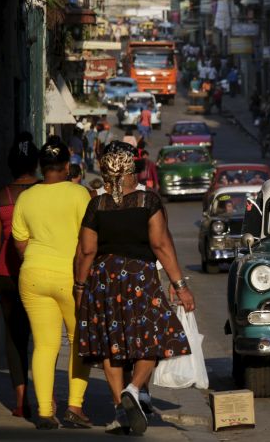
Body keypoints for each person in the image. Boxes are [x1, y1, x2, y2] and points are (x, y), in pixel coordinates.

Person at [74, 143, 195, 435]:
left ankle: (120, 411)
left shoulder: (97, 205)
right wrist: (180, 286)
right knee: (153, 337)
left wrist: (79, 286)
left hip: (104, 279)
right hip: (139, 276)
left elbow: (86, 251)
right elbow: (160, 245)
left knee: (109, 344)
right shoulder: (147, 201)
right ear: (130, 168)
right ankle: (134, 388)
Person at [11, 136, 93, 429]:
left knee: (44, 346)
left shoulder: (26, 197)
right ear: (67, 166)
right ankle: (74, 407)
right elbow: (88, 243)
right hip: (71, 277)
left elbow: (20, 242)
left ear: (41, 167)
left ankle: (45, 411)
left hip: (33, 275)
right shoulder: (80, 195)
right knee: (78, 342)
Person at [0, 132, 38, 419]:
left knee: (15, 337)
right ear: (37, 164)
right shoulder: (45, 193)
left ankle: (20, 401)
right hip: (40, 271)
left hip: (6, 274)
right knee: (43, 335)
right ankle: (49, 397)